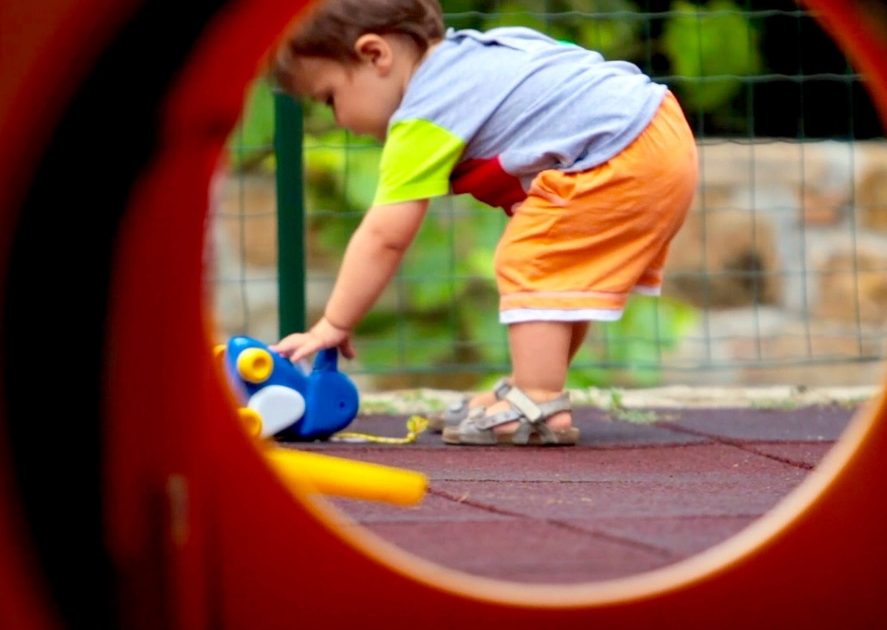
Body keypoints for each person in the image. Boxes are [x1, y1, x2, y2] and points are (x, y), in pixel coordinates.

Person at [267, 0, 698, 446]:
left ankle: (537, 403)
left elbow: (384, 236)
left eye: (329, 98)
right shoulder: (472, 53)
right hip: (660, 127)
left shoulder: (424, 112)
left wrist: (333, 323)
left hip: (621, 149)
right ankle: (526, 388)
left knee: (532, 259)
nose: (336, 119)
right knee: (557, 266)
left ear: (376, 55)